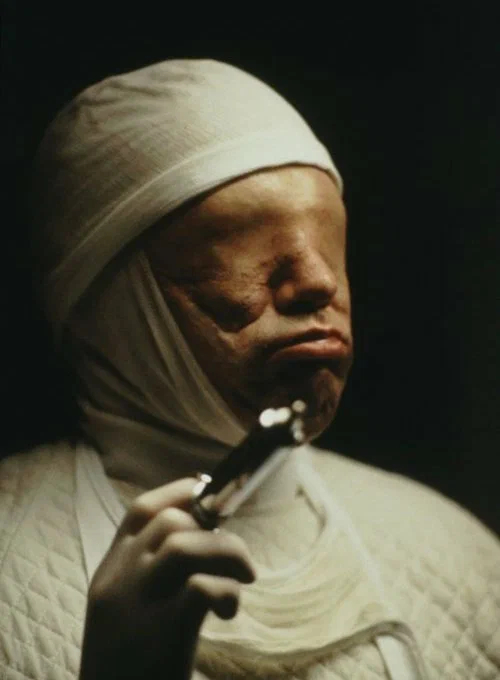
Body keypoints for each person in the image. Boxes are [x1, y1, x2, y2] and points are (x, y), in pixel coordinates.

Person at [1, 58, 499, 680]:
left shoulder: (459, 562)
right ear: (111, 304)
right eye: (239, 249)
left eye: (329, 241)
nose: (318, 284)